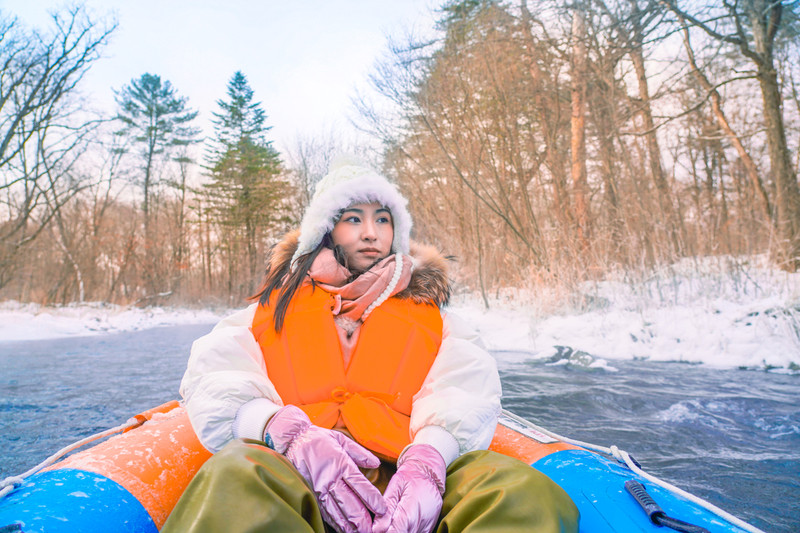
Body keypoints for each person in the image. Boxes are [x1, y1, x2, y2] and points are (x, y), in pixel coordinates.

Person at [162, 158, 579, 533]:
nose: (370, 232)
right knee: (235, 476)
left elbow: (466, 388)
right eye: (353, 218)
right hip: (295, 467)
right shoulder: (269, 311)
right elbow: (216, 373)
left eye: (382, 219)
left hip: (404, 471)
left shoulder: (435, 318)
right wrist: (283, 432)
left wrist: (428, 462)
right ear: (327, 229)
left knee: (518, 488)